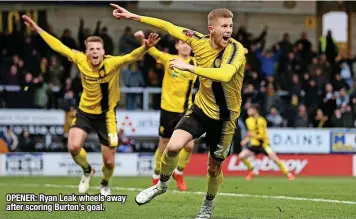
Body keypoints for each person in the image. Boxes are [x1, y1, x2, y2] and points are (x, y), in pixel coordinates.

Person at [111, 4, 246, 218]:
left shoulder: (236, 51)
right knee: (172, 147)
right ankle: (161, 185)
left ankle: (207, 204)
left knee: (213, 168)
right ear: (211, 29)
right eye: (224, 26)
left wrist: (190, 68)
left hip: (226, 119)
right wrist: (133, 16)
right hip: (201, 108)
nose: (229, 30)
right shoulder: (197, 41)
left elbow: (225, 74)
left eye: (230, 25)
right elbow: (167, 26)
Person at [22, 15, 160, 196]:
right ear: (86, 52)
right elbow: (58, 46)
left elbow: (130, 57)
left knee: (109, 162)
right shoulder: (80, 60)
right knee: (73, 147)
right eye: (91, 49)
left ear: (104, 52)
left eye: (98, 49)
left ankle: (104, 183)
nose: (95, 52)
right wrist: (38, 29)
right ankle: (87, 170)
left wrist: (145, 47)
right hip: (85, 112)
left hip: (107, 116)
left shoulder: (112, 63)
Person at [136, 32, 198, 191]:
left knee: (190, 145)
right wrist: (141, 40)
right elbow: (152, 50)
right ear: (177, 46)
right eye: (182, 43)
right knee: (164, 146)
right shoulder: (169, 59)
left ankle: (179, 172)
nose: (185, 46)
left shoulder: (196, 63)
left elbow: (215, 61)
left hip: (186, 110)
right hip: (168, 110)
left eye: (188, 43)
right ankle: (156, 175)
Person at [239, 105, 295, 181]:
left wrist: (252, 135)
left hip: (264, 145)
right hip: (255, 145)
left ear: (255, 110)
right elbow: (250, 134)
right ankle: (253, 170)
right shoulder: (248, 121)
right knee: (241, 156)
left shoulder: (262, 121)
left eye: (250, 110)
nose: (248, 112)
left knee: (275, 159)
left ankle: (288, 173)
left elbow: (261, 136)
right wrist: (245, 141)